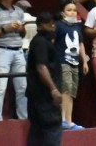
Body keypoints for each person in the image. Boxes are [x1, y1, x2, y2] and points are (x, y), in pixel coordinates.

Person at [26, 11, 64, 146]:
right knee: (52, 127)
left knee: (37, 132)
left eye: (53, 23)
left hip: (36, 95)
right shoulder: (41, 42)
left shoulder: (40, 41)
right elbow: (41, 67)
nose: (53, 26)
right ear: (40, 26)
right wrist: (53, 89)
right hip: (44, 96)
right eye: (49, 24)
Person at [55, 0, 88, 131]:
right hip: (63, 61)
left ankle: (69, 121)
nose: (72, 12)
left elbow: (81, 44)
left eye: (74, 10)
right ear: (62, 12)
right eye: (69, 10)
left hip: (75, 63)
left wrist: (84, 61)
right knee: (65, 90)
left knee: (72, 92)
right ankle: (62, 119)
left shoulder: (76, 27)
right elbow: (52, 42)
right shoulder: (58, 26)